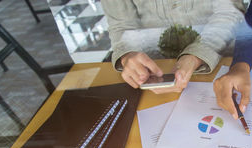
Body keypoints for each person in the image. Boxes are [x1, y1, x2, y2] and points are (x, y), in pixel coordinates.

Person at [101, 0, 244, 94]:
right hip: (154, 72)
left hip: (217, 63)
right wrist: (127, 55)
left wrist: (195, 56)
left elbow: (229, 13)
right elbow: (121, 25)